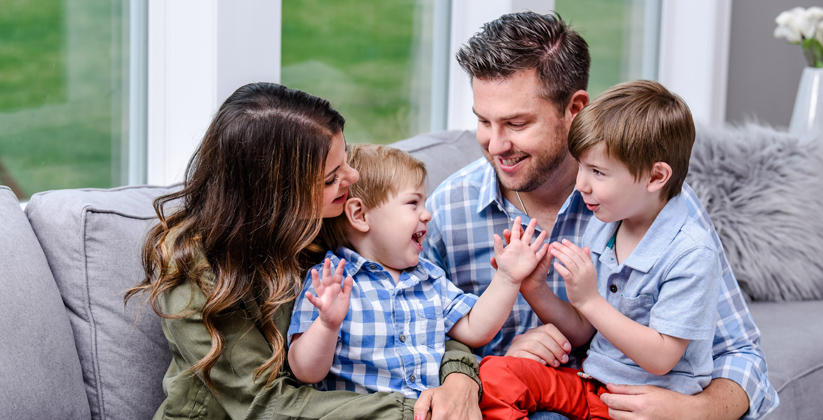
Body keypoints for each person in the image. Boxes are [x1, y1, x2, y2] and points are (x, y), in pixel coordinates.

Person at [423, 11, 779, 420]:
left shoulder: (654, 207)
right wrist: (481, 364)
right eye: (483, 121)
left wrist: (695, 410)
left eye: (516, 123)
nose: (495, 144)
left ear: (575, 108)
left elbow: (739, 351)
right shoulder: (450, 209)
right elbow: (412, 337)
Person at [124, 82, 481, 419]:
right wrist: (411, 411)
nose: (353, 178)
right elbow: (264, 406)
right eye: (331, 177)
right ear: (276, 197)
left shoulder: (331, 218)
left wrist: (458, 378)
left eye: (345, 161)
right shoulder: (198, 269)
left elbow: (420, 306)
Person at [478, 80, 721, 420]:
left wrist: (590, 299)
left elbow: (661, 357)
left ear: (655, 177)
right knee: (495, 375)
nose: (581, 185)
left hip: (644, 406)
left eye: (597, 172)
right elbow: (583, 332)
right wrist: (535, 288)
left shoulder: (691, 253)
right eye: (581, 167)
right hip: (591, 387)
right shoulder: (607, 224)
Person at [288, 144, 549, 399]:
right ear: (360, 215)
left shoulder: (430, 278)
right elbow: (305, 372)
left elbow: (475, 328)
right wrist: (327, 325)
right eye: (413, 203)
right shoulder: (328, 283)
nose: (427, 215)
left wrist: (507, 277)